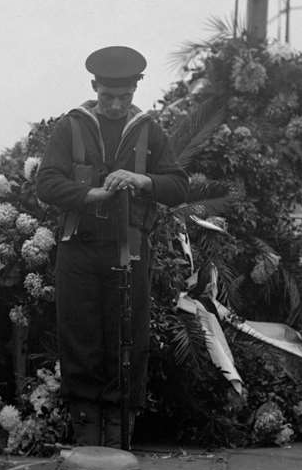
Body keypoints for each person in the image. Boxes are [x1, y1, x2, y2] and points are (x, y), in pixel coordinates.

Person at [34, 46, 188, 448]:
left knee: (127, 335)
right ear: (94, 87)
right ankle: (85, 427)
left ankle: (121, 429)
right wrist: (91, 194)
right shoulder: (71, 127)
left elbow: (178, 185)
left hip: (129, 249)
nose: (116, 105)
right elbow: (47, 182)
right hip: (79, 249)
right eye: (107, 96)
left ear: (136, 89)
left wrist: (142, 182)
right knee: (80, 335)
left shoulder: (149, 130)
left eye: (124, 97)